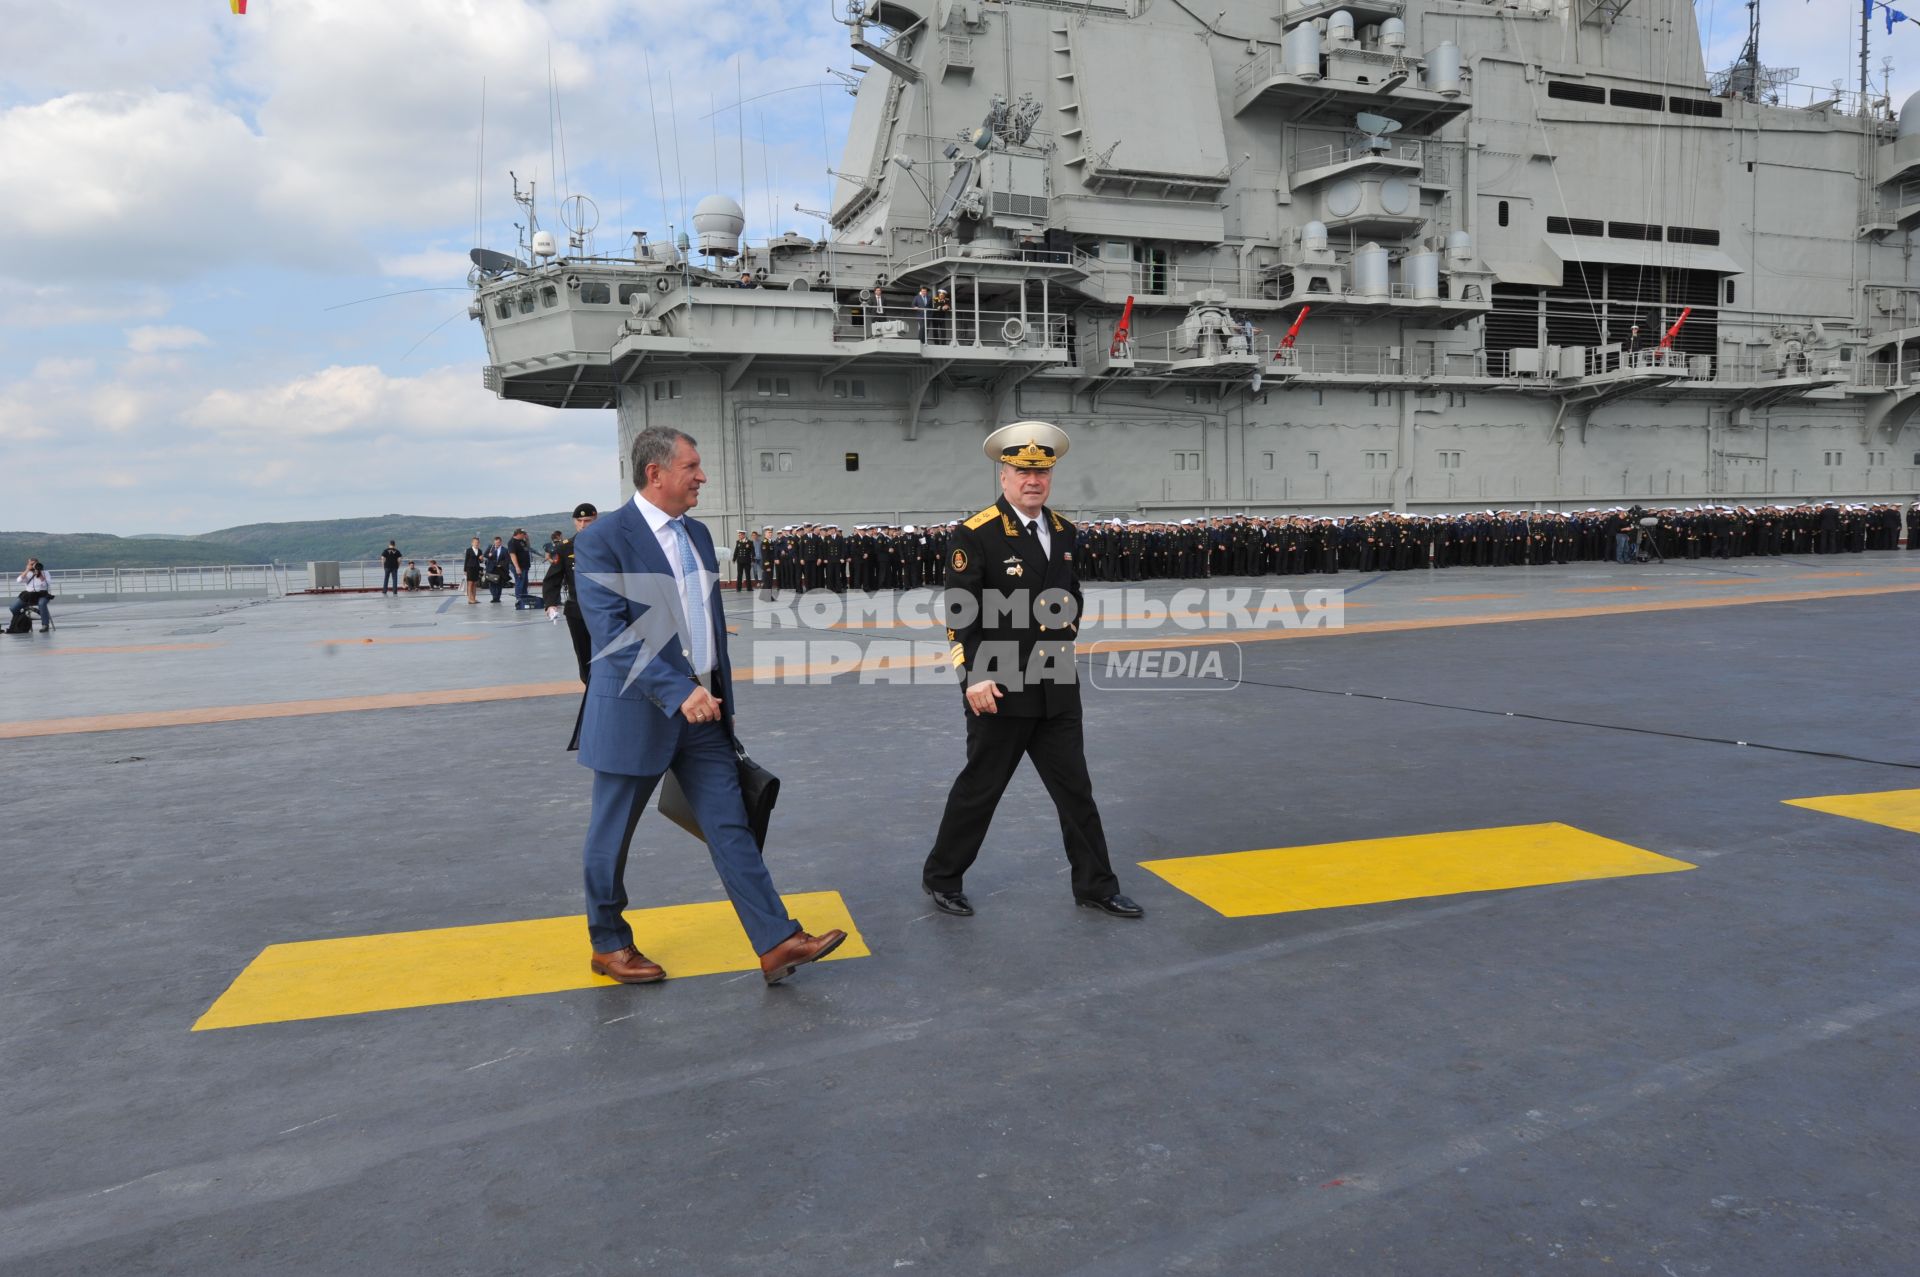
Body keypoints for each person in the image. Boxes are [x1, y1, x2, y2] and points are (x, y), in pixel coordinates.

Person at [573, 428, 846, 986]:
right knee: (611, 836)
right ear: (656, 473)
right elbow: (614, 635)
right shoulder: (603, 538)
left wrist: (717, 693)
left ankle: (777, 941)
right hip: (638, 711)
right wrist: (680, 691)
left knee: (730, 826)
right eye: (692, 466)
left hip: (704, 711)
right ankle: (608, 943)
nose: (701, 476)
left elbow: (707, 627)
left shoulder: (697, 535)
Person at [921, 420, 1143, 921]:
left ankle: (1096, 885)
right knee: (982, 788)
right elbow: (960, 611)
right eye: (1022, 471)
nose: (1032, 481)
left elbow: (1072, 595)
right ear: (1003, 476)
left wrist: (1065, 628)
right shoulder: (975, 534)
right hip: (998, 685)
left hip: (1056, 682)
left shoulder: (1065, 532)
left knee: (1075, 790)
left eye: (1041, 471)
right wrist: (973, 676)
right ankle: (942, 877)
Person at [557, 502, 598, 683]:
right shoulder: (565, 548)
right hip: (577, 610)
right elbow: (553, 577)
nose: (583, 525)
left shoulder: (609, 543)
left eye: (587, 520)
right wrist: (550, 603)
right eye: (579, 520)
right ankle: (589, 685)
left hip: (604, 609)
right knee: (583, 655)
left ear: (595, 520)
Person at [11, 559, 52, 634]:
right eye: (31, 564)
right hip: (28, 594)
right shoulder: (27, 573)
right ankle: (22, 620)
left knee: (42, 604)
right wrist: (27, 570)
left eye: (34, 564)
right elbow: (18, 580)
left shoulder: (45, 573)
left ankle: (45, 625)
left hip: (42, 594)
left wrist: (39, 574)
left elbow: (47, 584)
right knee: (13, 608)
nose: (33, 566)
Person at [508, 528, 533, 609]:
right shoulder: (512, 542)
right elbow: (512, 555)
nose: (524, 535)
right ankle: (519, 600)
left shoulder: (522, 541)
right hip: (519, 566)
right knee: (520, 583)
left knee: (525, 583)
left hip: (525, 566)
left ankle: (524, 598)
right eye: (523, 534)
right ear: (518, 534)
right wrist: (517, 567)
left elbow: (528, 548)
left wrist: (527, 539)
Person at [484, 535, 511, 603]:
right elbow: (485, 554)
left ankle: (497, 598)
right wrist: (488, 555)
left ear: (501, 542)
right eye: (495, 543)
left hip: (500, 569)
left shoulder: (505, 550)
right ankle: (494, 596)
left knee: (499, 584)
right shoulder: (491, 548)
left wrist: (501, 564)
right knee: (491, 583)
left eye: (498, 542)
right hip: (491, 568)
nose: (497, 544)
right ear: (494, 542)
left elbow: (507, 560)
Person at [463, 536, 483, 605]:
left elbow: (481, 562)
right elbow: (466, 560)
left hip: (476, 568)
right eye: (475, 542)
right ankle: (470, 599)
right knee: (470, 584)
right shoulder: (469, 550)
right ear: (472, 543)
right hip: (469, 568)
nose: (476, 543)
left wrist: (481, 559)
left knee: (475, 584)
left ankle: (474, 598)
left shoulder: (480, 550)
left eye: (477, 542)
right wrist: (465, 570)